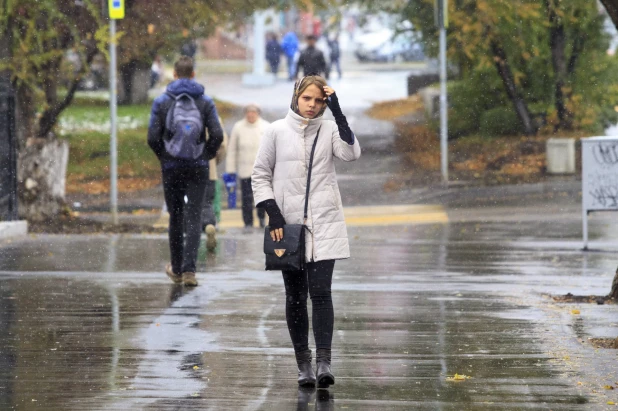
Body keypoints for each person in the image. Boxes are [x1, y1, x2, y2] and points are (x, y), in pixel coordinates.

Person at [252, 75, 361, 387]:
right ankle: (304, 365)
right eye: (307, 99)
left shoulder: (329, 129)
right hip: (288, 228)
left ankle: (324, 361)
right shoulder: (275, 131)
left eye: (319, 101)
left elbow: (351, 154)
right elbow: (260, 174)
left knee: (321, 293)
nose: (312, 106)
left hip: (324, 222)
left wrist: (338, 111)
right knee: (296, 297)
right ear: (296, 97)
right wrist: (272, 213)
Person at [147, 56, 223, 287]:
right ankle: (190, 271)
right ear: (193, 74)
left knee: (176, 217)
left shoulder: (162, 101)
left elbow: (152, 137)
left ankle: (177, 268)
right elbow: (217, 135)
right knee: (194, 216)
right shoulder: (205, 102)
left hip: (171, 167)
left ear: (174, 75)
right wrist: (205, 155)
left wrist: (165, 156)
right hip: (198, 166)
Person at [227, 104, 270, 232]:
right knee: (246, 197)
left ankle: (262, 218)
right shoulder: (238, 127)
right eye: (248, 112)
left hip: (261, 170)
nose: (251, 115)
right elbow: (232, 150)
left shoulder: (266, 127)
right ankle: (247, 222)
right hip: (244, 169)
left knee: (261, 196)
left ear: (258, 113)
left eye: (253, 112)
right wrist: (231, 169)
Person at [202, 116, 228, 251]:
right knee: (206, 202)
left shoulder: (175, 108)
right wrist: (213, 158)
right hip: (207, 168)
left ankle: (189, 238)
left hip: (182, 170)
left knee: (187, 205)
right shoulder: (209, 111)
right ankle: (208, 225)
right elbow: (222, 143)